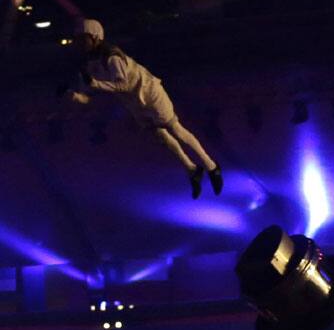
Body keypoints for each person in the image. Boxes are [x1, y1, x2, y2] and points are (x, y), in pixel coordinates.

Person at [66, 19, 222, 199]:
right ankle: (191, 169)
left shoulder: (112, 56)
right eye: (77, 40)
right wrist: (74, 96)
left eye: (82, 39)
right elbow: (88, 96)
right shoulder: (87, 64)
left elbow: (122, 85)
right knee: (160, 135)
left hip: (148, 92)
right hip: (132, 102)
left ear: (95, 37)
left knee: (175, 129)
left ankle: (211, 167)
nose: (78, 44)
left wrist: (95, 83)